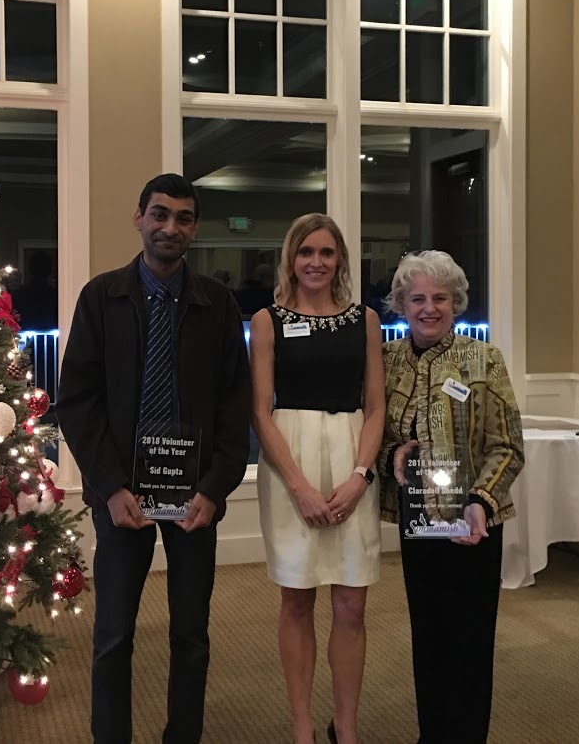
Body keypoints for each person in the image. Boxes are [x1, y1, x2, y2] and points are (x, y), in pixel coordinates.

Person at [56, 173, 252, 744]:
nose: (171, 227)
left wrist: (214, 488)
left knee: (191, 633)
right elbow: (78, 401)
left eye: (183, 217)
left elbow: (234, 403)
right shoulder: (101, 296)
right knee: (114, 632)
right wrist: (112, 486)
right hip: (122, 494)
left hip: (195, 498)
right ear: (139, 218)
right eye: (160, 214)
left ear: (194, 227)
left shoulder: (217, 304)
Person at [378, 250, 524, 744]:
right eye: (417, 298)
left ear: (455, 302)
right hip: (418, 522)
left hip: (474, 522)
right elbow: (375, 439)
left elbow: (508, 446)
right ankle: (432, 733)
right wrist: (394, 454)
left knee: (470, 638)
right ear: (401, 304)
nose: (429, 308)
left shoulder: (484, 359)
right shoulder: (386, 361)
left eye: (440, 297)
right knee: (428, 634)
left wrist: (480, 500)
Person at [249, 213, 385, 744]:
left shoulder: (365, 321)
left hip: (352, 456)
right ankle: (303, 726)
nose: (316, 262)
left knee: (352, 601)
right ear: (290, 258)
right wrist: (300, 487)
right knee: (298, 598)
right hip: (291, 463)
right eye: (307, 252)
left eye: (327, 253)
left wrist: (360, 477)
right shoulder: (267, 320)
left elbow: (375, 408)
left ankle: (345, 726)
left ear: (341, 261)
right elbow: (261, 411)